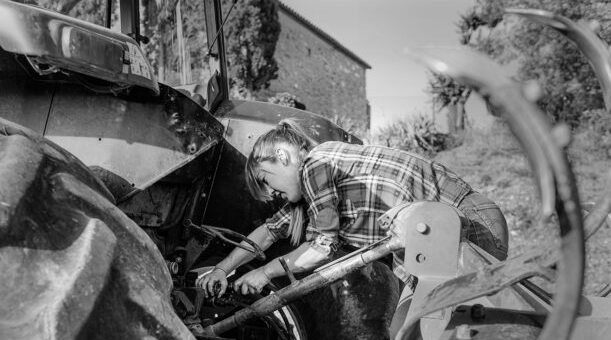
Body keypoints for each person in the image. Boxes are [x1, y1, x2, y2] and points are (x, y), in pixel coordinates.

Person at [196, 118, 508, 298]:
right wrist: (223, 269)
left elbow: (322, 247)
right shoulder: (313, 194)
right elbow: (266, 234)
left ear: (283, 154)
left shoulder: (315, 164)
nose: (269, 192)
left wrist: (264, 273)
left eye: (265, 178)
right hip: (440, 243)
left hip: (467, 225)